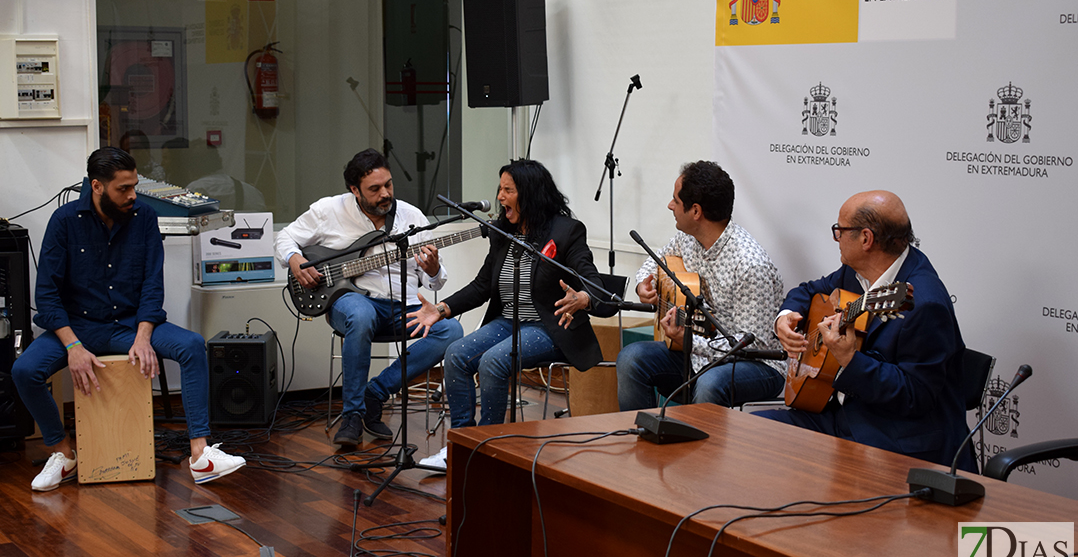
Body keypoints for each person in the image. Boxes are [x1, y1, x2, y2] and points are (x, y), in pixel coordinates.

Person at [11, 147, 245, 492]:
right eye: (123, 189)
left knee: (192, 345)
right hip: (79, 327)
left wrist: (143, 335)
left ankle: (200, 455)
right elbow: (46, 295)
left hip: (129, 326)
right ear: (97, 187)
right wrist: (72, 345)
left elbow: (153, 283)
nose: (132, 195)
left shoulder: (145, 217)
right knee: (24, 370)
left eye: (134, 186)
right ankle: (63, 453)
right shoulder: (63, 222)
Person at [406, 159, 616, 471]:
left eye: (508, 190)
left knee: (494, 360)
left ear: (529, 193)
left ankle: (490, 446)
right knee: (456, 354)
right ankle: (462, 443)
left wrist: (583, 297)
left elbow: (592, 281)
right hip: (508, 321)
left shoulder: (566, 231)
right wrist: (442, 309)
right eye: (500, 189)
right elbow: (481, 286)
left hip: (549, 326)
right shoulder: (503, 233)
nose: (500, 197)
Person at [755, 190, 974, 471]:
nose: (836, 239)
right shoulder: (855, 273)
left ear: (866, 239)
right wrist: (784, 318)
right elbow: (809, 291)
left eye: (840, 231)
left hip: (896, 438)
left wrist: (850, 360)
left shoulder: (924, 303)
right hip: (840, 414)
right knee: (752, 432)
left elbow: (914, 396)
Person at [274, 148, 463, 447]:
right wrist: (295, 260)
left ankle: (375, 393)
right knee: (361, 316)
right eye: (374, 189)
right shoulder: (329, 211)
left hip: (401, 306)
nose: (385, 194)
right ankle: (352, 416)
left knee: (450, 329)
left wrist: (434, 268)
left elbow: (434, 280)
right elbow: (284, 236)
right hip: (350, 301)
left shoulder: (411, 216)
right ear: (354, 190)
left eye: (388, 185)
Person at [616, 161, 785, 410]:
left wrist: (690, 343)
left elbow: (753, 344)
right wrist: (644, 284)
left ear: (696, 211)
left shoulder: (750, 264)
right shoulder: (687, 238)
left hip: (759, 365)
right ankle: (643, 439)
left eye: (675, 200)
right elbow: (657, 261)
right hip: (698, 353)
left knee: (710, 383)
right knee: (631, 358)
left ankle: (697, 448)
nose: (670, 206)